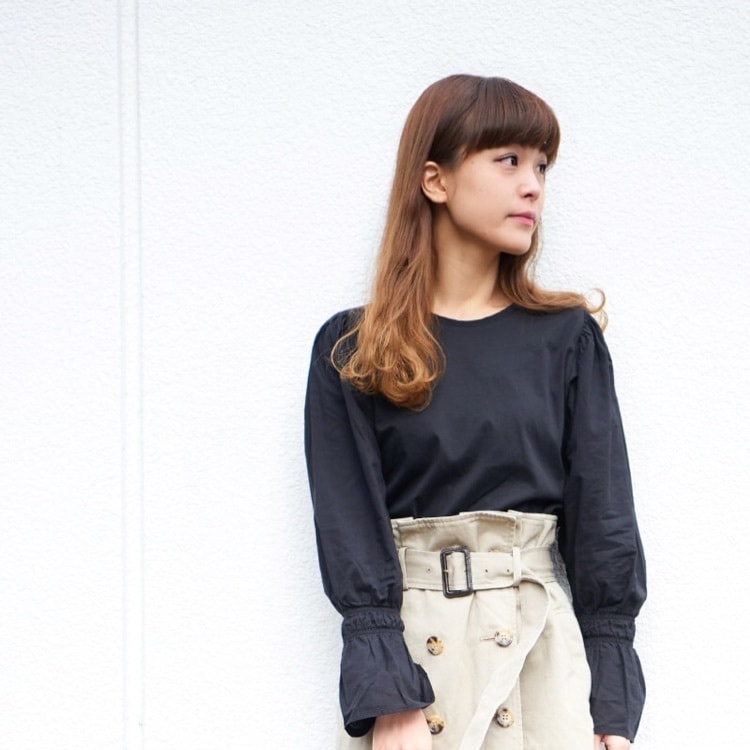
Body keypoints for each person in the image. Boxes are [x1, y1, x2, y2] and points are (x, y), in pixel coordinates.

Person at [305, 74, 646, 750]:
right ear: (435, 180)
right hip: (418, 669)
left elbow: (604, 522)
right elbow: (350, 529)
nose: (533, 186)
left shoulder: (567, 339)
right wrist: (388, 695)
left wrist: (611, 704)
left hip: (541, 657)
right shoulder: (354, 349)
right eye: (509, 160)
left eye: (541, 166)